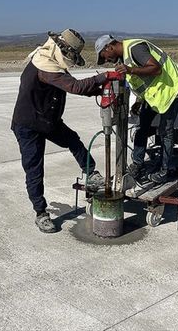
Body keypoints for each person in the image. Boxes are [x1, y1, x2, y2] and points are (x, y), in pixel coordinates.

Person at [11, 29, 121, 233]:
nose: (69, 59)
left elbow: (73, 86)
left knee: (72, 140)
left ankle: (91, 172)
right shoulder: (45, 66)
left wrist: (99, 91)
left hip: (48, 120)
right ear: (62, 49)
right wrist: (105, 77)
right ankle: (41, 213)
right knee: (34, 169)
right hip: (28, 125)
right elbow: (75, 87)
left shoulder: (52, 62)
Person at [95, 34, 178, 184]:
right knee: (142, 127)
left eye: (104, 56)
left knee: (166, 131)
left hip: (171, 89)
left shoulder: (134, 48)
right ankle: (137, 164)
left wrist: (130, 70)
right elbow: (144, 81)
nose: (106, 60)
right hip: (155, 95)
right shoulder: (126, 58)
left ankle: (164, 171)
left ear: (109, 47)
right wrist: (139, 100)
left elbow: (156, 69)